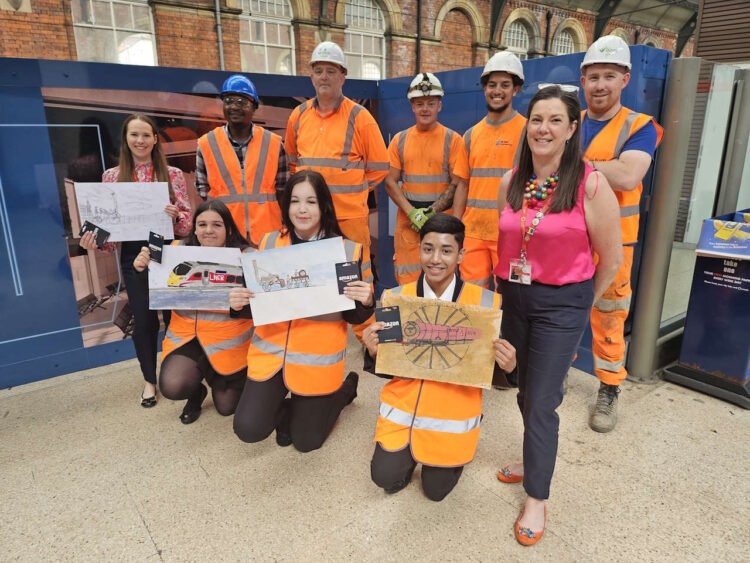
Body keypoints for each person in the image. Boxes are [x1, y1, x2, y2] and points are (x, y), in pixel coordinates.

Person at [493, 86, 622, 545]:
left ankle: (537, 496)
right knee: (524, 392)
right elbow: (506, 245)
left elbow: (610, 259)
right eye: (536, 119)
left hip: (562, 304)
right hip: (515, 298)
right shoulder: (512, 182)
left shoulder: (589, 184)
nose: (543, 128)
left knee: (543, 400)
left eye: (554, 120)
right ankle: (533, 458)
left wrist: (579, 306)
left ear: (571, 130)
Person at [362, 214, 517, 502]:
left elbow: (489, 370)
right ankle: (404, 456)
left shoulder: (487, 304)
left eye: (446, 251)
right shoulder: (396, 298)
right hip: (403, 412)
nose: (435, 259)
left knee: (435, 492)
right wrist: (373, 351)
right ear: (418, 249)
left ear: (461, 255)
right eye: (428, 248)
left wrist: (509, 367)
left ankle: (448, 460)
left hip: (451, 416)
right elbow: (388, 366)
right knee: (384, 478)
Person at [230, 171, 375, 452]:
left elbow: (354, 315)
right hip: (271, 356)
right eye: (295, 201)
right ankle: (292, 406)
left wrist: (366, 300)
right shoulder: (269, 243)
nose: (302, 209)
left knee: (306, 442)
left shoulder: (345, 250)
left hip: (316, 361)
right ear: (286, 206)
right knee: (248, 429)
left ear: (324, 206)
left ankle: (343, 392)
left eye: (311, 201)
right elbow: (257, 303)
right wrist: (237, 302)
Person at [579, 35, 663, 432]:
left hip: (615, 241)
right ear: (583, 79)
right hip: (569, 235)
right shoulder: (569, 119)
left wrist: (575, 163)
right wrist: (602, 165)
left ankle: (609, 388)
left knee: (610, 315)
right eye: (594, 76)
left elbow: (630, 174)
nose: (600, 85)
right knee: (558, 307)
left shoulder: (639, 126)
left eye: (609, 76)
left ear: (625, 78)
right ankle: (555, 370)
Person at [79, 113, 192, 407]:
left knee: (173, 318)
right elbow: (109, 234)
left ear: (155, 138)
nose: (140, 141)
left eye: (146, 135)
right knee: (143, 321)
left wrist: (175, 215)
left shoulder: (174, 174)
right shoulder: (112, 177)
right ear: (126, 140)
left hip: (168, 251)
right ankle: (149, 381)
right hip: (132, 256)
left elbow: (187, 224)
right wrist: (95, 241)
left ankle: (174, 374)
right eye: (134, 135)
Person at [131, 200, 253, 423]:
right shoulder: (174, 252)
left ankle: (219, 376)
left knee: (227, 407)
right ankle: (197, 392)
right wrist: (140, 271)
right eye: (202, 224)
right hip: (187, 336)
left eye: (217, 225)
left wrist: (241, 305)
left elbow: (261, 307)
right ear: (194, 228)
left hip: (228, 342)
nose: (208, 230)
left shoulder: (247, 256)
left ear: (228, 228)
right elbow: (153, 294)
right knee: (173, 386)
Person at [284, 41, 389, 293]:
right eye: (318, 70)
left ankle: (363, 329)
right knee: (314, 283)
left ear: (343, 76)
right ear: (310, 76)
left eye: (331, 71)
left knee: (354, 284)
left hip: (348, 219)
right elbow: (292, 163)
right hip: (310, 220)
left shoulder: (360, 117)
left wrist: (353, 190)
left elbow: (379, 167)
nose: (324, 77)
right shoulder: (298, 116)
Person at [385, 73, 469, 285]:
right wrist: (411, 212)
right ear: (412, 106)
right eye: (420, 103)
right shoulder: (399, 140)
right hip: (408, 225)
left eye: (431, 103)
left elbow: (457, 184)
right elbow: (389, 181)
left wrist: (431, 214)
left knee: (441, 283)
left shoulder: (453, 140)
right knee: (408, 283)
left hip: (441, 225)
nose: (425, 108)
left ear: (439, 105)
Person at [458, 52, 526, 288]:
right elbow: (462, 185)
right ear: (484, 88)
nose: (497, 91)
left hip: (513, 235)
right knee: (472, 301)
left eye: (505, 85)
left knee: (514, 299)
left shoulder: (528, 131)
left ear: (516, 89)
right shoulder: (470, 135)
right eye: (492, 85)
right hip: (473, 234)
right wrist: (456, 229)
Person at [195, 74, 286, 247]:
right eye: (229, 101)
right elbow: (203, 191)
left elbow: (283, 191)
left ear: (254, 107)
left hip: (269, 238)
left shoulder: (273, 143)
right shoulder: (207, 144)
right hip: (226, 239)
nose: (234, 107)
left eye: (242, 102)